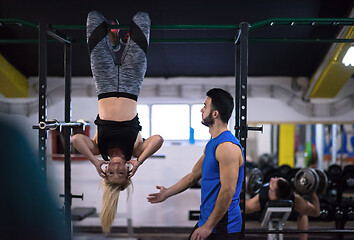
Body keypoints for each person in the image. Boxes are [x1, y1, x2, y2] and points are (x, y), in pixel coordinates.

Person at [71, 11, 163, 234]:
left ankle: (113, 46)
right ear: (128, 173)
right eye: (121, 174)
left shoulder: (98, 149)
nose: (115, 168)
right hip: (132, 83)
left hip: (104, 82)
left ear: (105, 172)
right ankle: (122, 43)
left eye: (110, 173)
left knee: (94, 17)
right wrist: (138, 161)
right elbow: (159, 139)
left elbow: (75, 139)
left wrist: (94, 161)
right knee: (142, 18)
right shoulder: (135, 150)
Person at [148, 88, 244, 240]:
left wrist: (209, 226)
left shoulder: (227, 147)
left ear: (215, 113)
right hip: (207, 220)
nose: (201, 109)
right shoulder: (213, 144)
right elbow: (193, 176)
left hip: (223, 226)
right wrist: (166, 193)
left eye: (205, 106)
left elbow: (228, 190)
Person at [245, 177, 321, 240]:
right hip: (259, 213)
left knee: (303, 214)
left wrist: (312, 190)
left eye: (273, 183)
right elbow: (241, 209)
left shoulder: (294, 199)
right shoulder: (261, 198)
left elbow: (316, 212)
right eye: (275, 179)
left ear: (273, 194)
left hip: (288, 212)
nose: (271, 179)